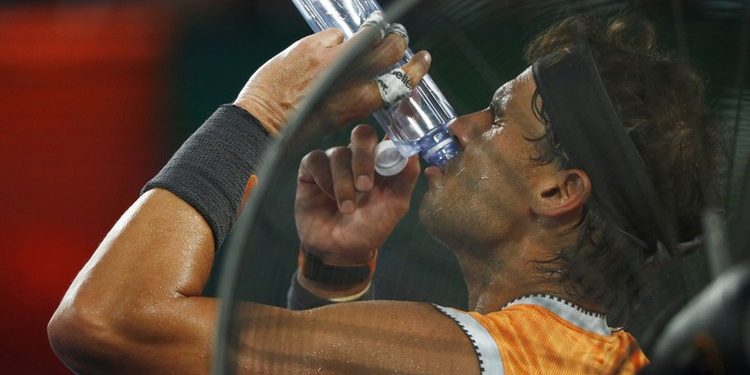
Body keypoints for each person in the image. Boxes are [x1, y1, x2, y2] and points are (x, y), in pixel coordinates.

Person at [47, 13, 724, 374]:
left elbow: (106, 323)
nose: (456, 127)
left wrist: (259, 115)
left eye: (493, 116)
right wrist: (329, 279)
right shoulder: (569, 355)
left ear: (556, 189)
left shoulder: (501, 355)